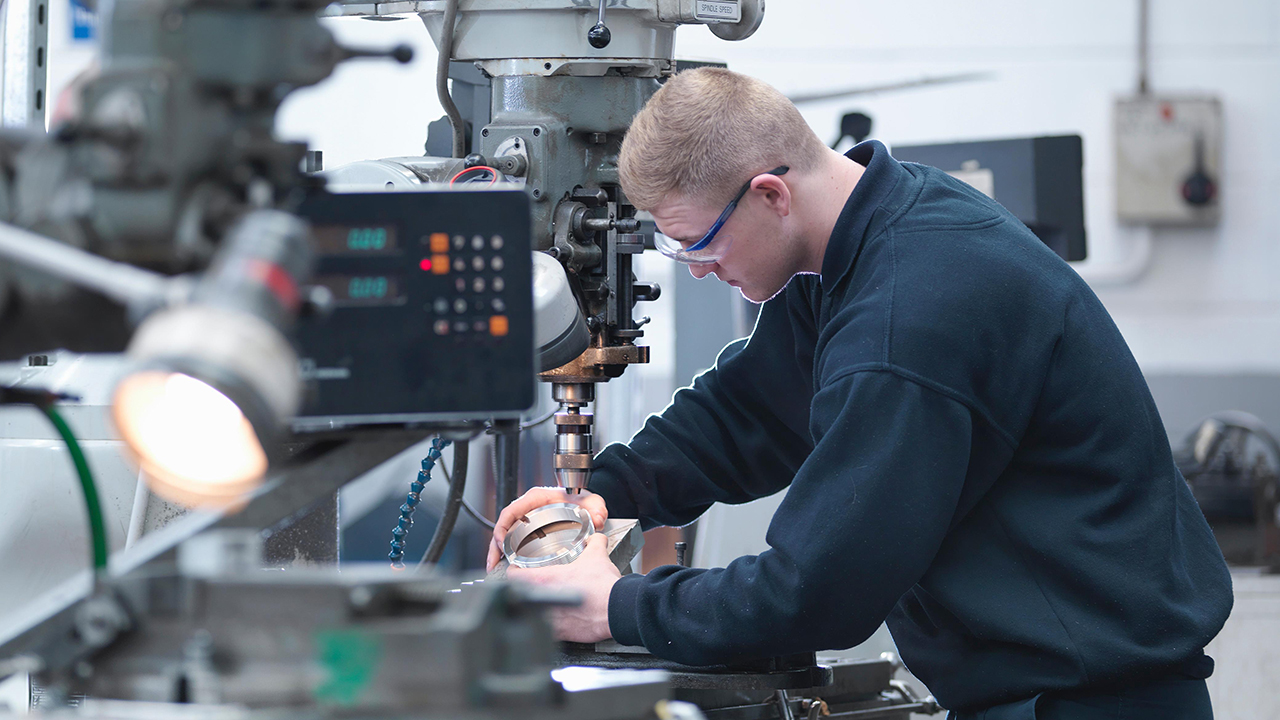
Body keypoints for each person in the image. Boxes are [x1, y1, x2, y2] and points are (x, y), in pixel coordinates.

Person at [489, 68, 1233, 720]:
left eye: (702, 246)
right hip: (1038, 690)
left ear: (770, 194)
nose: (699, 272)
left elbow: (815, 591)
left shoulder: (907, 320)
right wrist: (610, 493)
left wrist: (614, 606)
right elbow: (748, 410)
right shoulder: (870, 235)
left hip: (1086, 702)